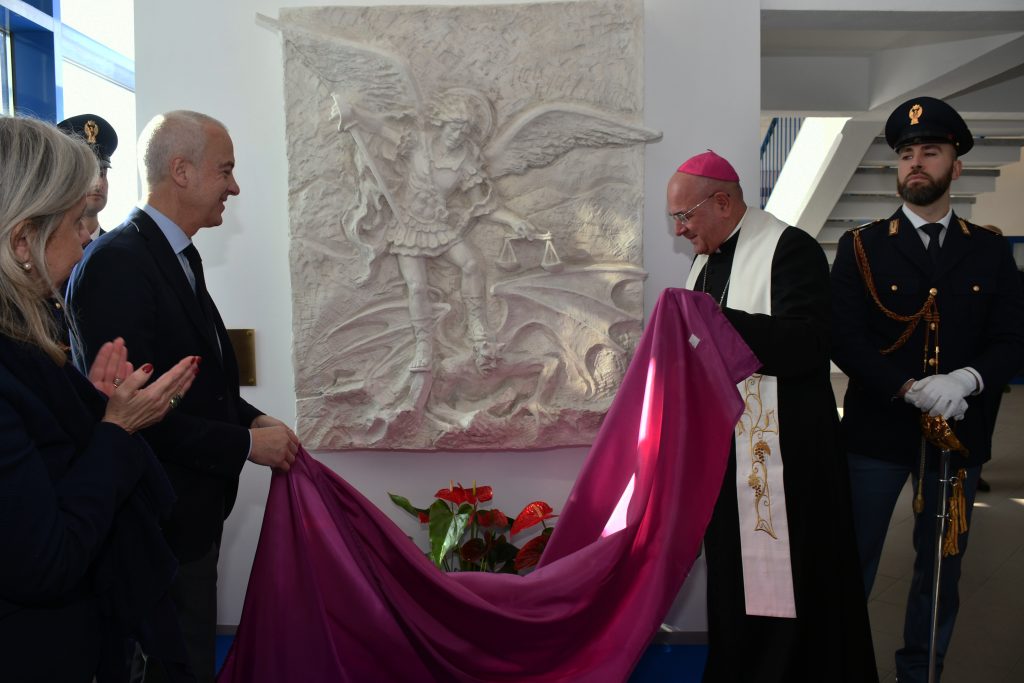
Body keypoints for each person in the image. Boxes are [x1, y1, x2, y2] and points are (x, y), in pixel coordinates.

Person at [66, 110, 301, 682]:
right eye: (226, 170)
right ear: (182, 171)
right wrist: (246, 445)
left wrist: (255, 418)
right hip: (155, 522)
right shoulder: (119, 263)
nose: (234, 187)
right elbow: (134, 410)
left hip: (188, 518)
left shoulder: (174, 254)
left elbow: (198, 383)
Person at [831, 96, 1024, 682]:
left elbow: (1012, 337)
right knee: (851, 560)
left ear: (955, 167)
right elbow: (843, 337)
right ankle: (842, 667)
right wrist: (909, 386)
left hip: (958, 436)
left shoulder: (988, 249)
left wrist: (967, 379)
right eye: (906, 153)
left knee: (941, 569)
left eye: (931, 151)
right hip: (876, 431)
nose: (916, 162)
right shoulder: (862, 246)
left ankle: (921, 672)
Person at [0, 116, 199, 681]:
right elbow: (46, 561)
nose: (89, 236)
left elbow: (44, 456)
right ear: (22, 241)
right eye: (76, 222)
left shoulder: (25, 329)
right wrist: (117, 428)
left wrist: (90, 407)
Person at [668, 151, 877, 682]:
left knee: (792, 590)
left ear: (721, 202)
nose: (680, 229)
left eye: (684, 216)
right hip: (727, 459)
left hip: (789, 462)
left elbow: (810, 343)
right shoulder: (705, 261)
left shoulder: (790, 249)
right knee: (733, 583)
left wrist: (717, 322)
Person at [57, 113, 118, 245]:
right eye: (89, 174)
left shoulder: (120, 249)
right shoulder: (46, 250)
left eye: (102, 173)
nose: (98, 184)